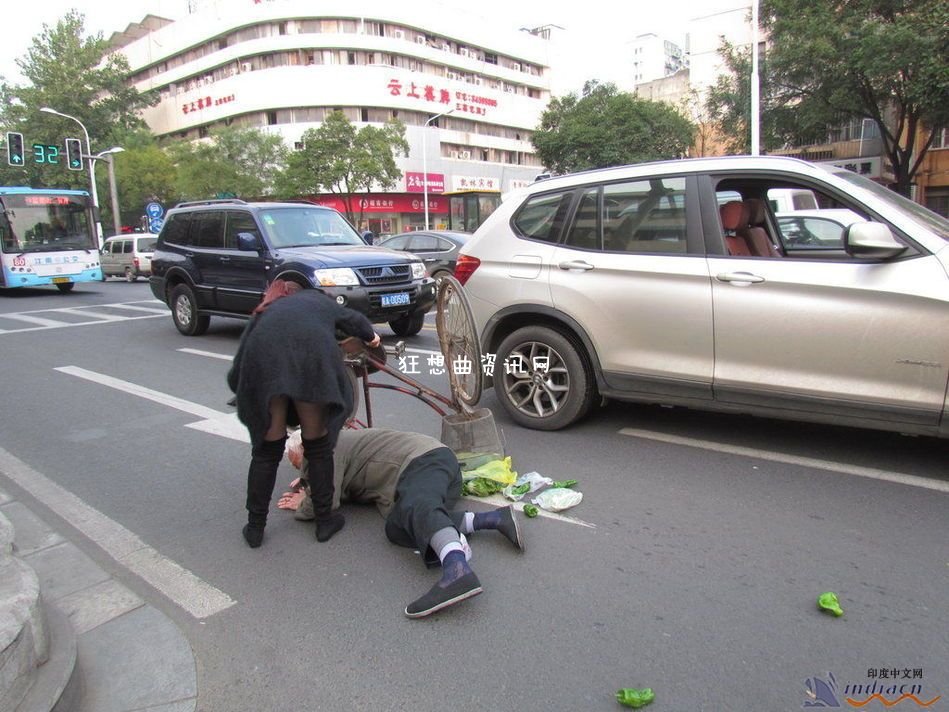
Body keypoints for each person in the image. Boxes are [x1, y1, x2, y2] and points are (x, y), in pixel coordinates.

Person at [278, 428, 524, 618]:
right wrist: (310, 479)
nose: (295, 468)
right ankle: (492, 519)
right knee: (396, 527)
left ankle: (457, 569)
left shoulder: (325, 450)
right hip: (433, 473)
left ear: (303, 449)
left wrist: (303, 502)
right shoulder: (328, 447)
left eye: (295, 461)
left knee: (418, 504)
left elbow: (324, 502)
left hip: (425, 461)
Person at [227, 279, 381, 548]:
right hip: (310, 362)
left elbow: (240, 363)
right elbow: (354, 320)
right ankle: (324, 522)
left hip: (265, 366)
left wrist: (242, 392)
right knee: (317, 445)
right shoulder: (319, 301)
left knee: (266, 451)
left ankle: (255, 527)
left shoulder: (266, 311)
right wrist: (371, 337)